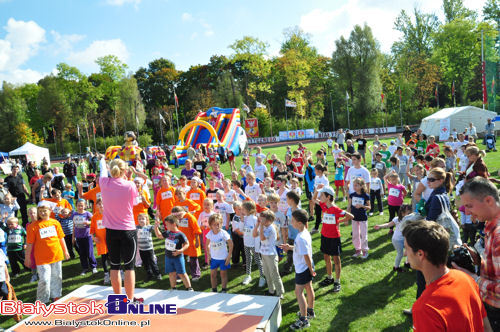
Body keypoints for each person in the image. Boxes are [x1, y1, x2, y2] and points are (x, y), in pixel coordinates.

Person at [403, 220, 491, 331]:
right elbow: (485, 324)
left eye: (406, 248)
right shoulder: (466, 278)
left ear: (420, 254)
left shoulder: (425, 308)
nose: (405, 253)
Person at [457, 177, 500, 330]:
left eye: (469, 206)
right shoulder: (490, 222)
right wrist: (479, 261)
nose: (467, 212)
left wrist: (473, 278)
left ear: (488, 200)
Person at [99, 156, 139, 302]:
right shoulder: (130, 185)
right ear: (124, 170)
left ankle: (118, 298)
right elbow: (134, 202)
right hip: (127, 230)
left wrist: (103, 160)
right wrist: (129, 178)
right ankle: (130, 299)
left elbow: (102, 169)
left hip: (111, 231)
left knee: (114, 266)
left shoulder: (103, 183)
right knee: (129, 267)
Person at [25, 202, 70, 304]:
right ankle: (42, 300)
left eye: (45, 210)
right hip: (42, 259)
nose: (43, 213)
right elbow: (30, 244)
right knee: (44, 280)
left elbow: (61, 238)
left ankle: (56, 296)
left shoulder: (55, 223)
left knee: (57, 276)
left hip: (56, 255)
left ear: (50, 211)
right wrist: (27, 258)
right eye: (40, 211)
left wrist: (65, 251)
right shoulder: (33, 226)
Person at [279, 209, 316, 330]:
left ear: (300, 223)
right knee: (308, 287)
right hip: (306, 267)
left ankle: (304, 320)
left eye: (293, 221)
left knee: (298, 293)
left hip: (303, 268)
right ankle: (310, 311)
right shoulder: (305, 233)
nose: (291, 222)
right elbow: (302, 250)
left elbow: (305, 256)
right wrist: (290, 247)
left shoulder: (300, 238)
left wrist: (310, 270)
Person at [314, 186, 352, 292]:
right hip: (324, 235)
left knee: (336, 260)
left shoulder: (336, 209)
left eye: (322, 195)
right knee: (326, 257)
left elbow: (351, 216)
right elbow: (313, 199)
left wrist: (339, 222)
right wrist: (317, 190)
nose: (320, 196)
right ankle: (329, 278)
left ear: (328, 197)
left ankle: (337, 281)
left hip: (334, 237)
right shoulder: (323, 205)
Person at [154, 215, 193, 291]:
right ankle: (173, 288)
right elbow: (159, 236)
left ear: (174, 224)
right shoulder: (168, 232)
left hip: (178, 257)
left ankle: (189, 288)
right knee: (171, 273)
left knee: (182, 273)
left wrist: (181, 251)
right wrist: (156, 228)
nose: (166, 226)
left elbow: (187, 244)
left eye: (167, 224)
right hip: (168, 257)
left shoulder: (180, 234)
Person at [374, 204, 412, 272]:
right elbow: (388, 224)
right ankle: (396, 267)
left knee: (409, 250)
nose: (410, 215)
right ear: (402, 213)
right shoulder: (397, 219)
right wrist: (380, 226)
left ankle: (407, 263)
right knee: (400, 254)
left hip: (405, 239)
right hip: (397, 240)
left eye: (411, 213)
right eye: (408, 213)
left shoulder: (410, 219)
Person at [206, 213, 233, 293]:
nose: (216, 226)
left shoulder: (223, 233)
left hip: (223, 258)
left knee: (223, 274)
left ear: (221, 223)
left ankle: (224, 289)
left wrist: (229, 256)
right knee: (213, 275)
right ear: (210, 225)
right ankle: (214, 289)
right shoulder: (210, 233)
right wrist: (208, 255)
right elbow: (207, 244)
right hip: (214, 259)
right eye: (214, 224)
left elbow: (231, 244)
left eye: (218, 224)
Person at [241, 200, 265, 286]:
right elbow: (243, 230)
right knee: (248, 259)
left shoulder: (255, 219)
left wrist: (257, 246)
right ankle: (248, 275)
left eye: (243, 209)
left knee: (258, 260)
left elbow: (257, 233)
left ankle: (262, 276)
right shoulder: (245, 218)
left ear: (248, 210)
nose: (241, 211)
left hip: (254, 244)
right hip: (246, 243)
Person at [72, 199, 97, 275]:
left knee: (89, 252)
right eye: (79, 205)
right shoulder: (74, 214)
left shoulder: (87, 213)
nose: (80, 207)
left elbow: (94, 220)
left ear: (85, 206)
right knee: (82, 253)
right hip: (79, 237)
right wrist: (73, 237)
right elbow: (73, 225)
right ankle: (85, 268)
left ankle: (93, 267)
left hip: (87, 236)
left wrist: (88, 222)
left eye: (82, 205)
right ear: (76, 206)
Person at [89, 198, 110, 284]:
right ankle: (106, 274)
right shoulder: (95, 216)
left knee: (114, 256)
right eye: (99, 204)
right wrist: (93, 237)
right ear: (96, 206)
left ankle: (119, 271)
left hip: (110, 238)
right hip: (101, 240)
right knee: (104, 257)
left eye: (103, 203)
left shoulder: (109, 214)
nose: (101, 206)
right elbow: (92, 229)